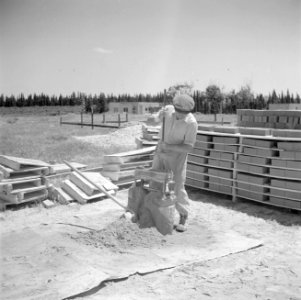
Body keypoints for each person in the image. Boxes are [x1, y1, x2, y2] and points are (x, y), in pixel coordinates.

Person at [151, 93, 198, 232]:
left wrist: (170, 147)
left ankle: (183, 216)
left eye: (184, 114)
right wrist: (156, 117)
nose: (180, 116)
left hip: (177, 156)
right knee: (154, 181)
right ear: (175, 108)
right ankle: (154, 213)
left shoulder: (191, 123)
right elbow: (153, 120)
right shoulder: (168, 110)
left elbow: (189, 146)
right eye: (178, 112)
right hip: (160, 152)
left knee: (177, 186)